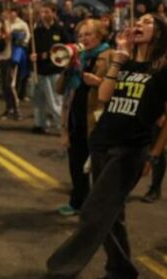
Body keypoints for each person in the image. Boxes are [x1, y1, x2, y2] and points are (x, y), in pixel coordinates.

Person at [45, 13, 167, 279]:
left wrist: (153, 156)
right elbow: (105, 96)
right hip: (102, 143)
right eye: (138, 21)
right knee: (112, 215)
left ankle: (60, 270)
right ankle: (121, 269)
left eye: (147, 22)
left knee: (93, 211)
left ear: (162, 32)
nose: (139, 24)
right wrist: (119, 57)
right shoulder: (125, 62)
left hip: (130, 150)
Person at [55, 19, 111, 217]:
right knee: (76, 163)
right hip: (75, 118)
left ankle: (98, 209)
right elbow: (59, 89)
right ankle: (77, 202)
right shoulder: (78, 58)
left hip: (96, 120)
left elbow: (118, 87)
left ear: (100, 35)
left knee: (97, 166)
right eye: (80, 35)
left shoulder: (109, 56)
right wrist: (69, 68)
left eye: (88, 34)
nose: (83, 39)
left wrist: (99, 81)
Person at [30, 2, 71, 133]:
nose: (44, 15)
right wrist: (32, 56)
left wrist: (47, 55)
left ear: (53, 13)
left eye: (47, 12)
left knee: (55, 101)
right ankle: (40, 124)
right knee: (38, 99)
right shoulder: (36, 31)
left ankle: (62, 126)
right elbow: (30, 49)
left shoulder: (60, 30)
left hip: (55, 70)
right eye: (42, 12)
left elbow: (68, 48)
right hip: (39, 71)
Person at [0, 9, 22, 120]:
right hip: (2, 57)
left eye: (6, 15)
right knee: (4, 85)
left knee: (10, 85)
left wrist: (8, 34)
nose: (4, 17)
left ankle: (16, 109)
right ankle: (8, 108)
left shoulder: (14, 26)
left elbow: (18, 37)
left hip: (11, 58)